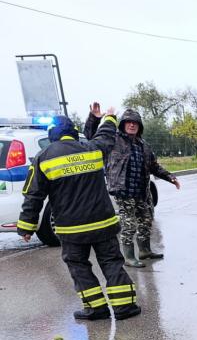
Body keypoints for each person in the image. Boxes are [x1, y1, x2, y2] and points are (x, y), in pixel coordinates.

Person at [17, 112, 141, 321]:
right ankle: (125, 307)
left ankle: (96, 309)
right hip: (103, 223)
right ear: (74, 132)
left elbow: (33, 195)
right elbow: (106, 136)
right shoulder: (91, 148)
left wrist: (26, 227)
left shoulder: (43, 157)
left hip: (71, 229)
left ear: (52, 134)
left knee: (79, 266)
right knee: (111, 262)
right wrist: (109, 117)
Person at [84, 104, 180, 268]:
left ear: (139, 126)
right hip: (123, 191)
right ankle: (129, 257)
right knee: (129, 224)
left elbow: (154, 166)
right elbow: (91, 136)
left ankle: (145, 251)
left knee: (146, 221)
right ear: (122, 124)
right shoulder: (113, 140)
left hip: (142, 191)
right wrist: (94, 118)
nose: (132, 125)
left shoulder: (144, 145)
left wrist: (170, 177)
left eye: (135, 123)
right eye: (128, 122)